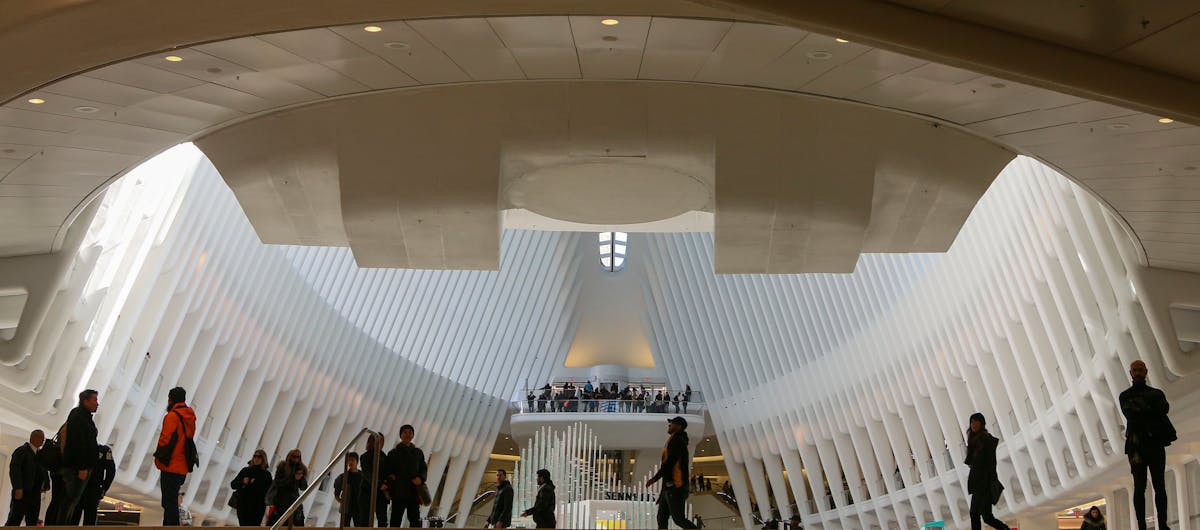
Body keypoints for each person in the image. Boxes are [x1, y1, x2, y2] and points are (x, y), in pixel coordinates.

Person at [1120, 359, 1175, 530]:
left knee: (1159, 485)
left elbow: (1163, 409)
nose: (1137, 372)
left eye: (1140, 369)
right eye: (1134, 370)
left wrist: (1141, 409)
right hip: (1137, 446)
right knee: (1140, 486)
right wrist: (1150, 410)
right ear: (1131, 373)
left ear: (1146, 371)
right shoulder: (1126, 396)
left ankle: (1163, 524)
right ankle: (1142, 526)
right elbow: (1131, 414)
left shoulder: (1156, 393)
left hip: (1154, 443)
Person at [155, 387, 197, 526]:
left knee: (169, 501)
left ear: (170, 399)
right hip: (183, 465)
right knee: (172, 499)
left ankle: (170, 526)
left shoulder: (172, 416)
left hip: (171, 465)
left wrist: (159, 458)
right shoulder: (189, 417)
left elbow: (165, 440)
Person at [646, 416, 698, 529]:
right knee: (662, 518)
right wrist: (662, 493)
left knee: (678, 519)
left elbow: (669, 463)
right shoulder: (673, 440)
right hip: (669, 488)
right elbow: (668, 469)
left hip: (676, 487)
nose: (669, 425)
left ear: (678, 426)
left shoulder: (678, 441)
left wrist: (654, 478)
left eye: (672, 423)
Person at [58, 389, 100, 524]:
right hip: (77, 468)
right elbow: (78, 443)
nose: (97, 403)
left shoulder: (84, 417)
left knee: (72, 501)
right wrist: (82, 467)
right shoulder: (79, 417)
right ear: (85, 401)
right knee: (70, 500)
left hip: (80, 466)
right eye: (94, 400)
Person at [964, 413, 1008, 530]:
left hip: (984, 483)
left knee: (982, 515)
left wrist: (992, 480)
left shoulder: (986, 440)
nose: (973, 424)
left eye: (976, 421)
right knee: (981, 515)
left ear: (982, 423)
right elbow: (970, 461)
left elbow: (992, 462)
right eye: (971, 422)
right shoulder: (973, 441)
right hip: (977, 483)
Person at [385, 424, 427, 528]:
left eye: (410, 432)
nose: (407, 434)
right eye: (405, 432)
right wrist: (390, 480)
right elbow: (387, 471)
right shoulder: (393, 453)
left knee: (415, 520)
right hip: (398, 492)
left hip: (414, 492)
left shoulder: (418, 453)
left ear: (413, 435)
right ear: (400, 435)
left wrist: (421, 478)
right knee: (395, 520)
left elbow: (423, 469)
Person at [6, 429, 49, 526]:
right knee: (15, 519)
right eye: (41, 438)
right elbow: (14, 470)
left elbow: (44, 471)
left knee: (32, 520)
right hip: (23, 491)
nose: (43, 441)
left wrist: (45, 484)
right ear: (34, 438)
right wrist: (18, 487)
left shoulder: (40, 454)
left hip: (35, 494)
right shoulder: (22, 451)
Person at [267, 449, 309, 526]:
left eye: (298, 457)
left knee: (297, 522)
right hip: (281, 501)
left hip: (294, 501)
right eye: (294, 456)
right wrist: (293, 478)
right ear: (290, 457)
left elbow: (303, 487)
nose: (296, 459)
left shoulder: (301, 468)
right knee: (279, 523)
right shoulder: (283, 467)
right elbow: (278, 482)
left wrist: (300, 478)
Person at [231, 449, 273, 526]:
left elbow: (268, 491)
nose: (256, 458)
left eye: (259, 457)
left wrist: (255, 483)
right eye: (255, 456)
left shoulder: (266, 475)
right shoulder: (245, 470)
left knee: (254, 526)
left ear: (263, 459)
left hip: (257, 507)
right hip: (243, 505)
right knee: (243, 525)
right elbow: (233, 484)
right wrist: (243, 482)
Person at [77, 444, 116, 525]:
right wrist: (104, 488)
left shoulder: (79, 448)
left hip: (81, 487)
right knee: (89, 518)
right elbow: (111, 471)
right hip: (92, 488)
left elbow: (111, 471)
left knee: (74, 517)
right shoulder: (104, 450)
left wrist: (104, 488)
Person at [360, 433, 389, 527]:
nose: (381, 443)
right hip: (369, 490)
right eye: (378, 440)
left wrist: (385, 483)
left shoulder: (385, 457)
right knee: (366, 519)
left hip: (379, 491)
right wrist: (381, 484)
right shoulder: (366, 456)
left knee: (382, 519)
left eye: (382, 441)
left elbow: (388, 473)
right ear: (372, 442)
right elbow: (368, 474)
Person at [334, 452, 367, 527]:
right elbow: (336, 493)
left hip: (359, 507)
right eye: (349, 460)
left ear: (357, 461)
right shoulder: (343, 476)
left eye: (352, 460)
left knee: (359, 526)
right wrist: (342, 502)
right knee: (345, 526)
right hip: (347, 508)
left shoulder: (362, 476)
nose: (350, 462)